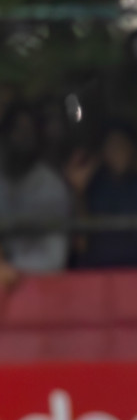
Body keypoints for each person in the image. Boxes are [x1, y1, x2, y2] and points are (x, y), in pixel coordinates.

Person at [66, 121, 137, 268]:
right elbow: (81, 244)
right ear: (103, 152)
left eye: (123, 145)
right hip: (100, 275)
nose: (118, 151)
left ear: (133, 148)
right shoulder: (92, 187)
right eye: (112, 146)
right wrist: (78, 192)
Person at [0, 103, 70, 289]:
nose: (23, 138)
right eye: (17, 130)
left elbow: (54, 259)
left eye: (28, 132)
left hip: (36, 291)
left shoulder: (51, 186)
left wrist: (9, 269)